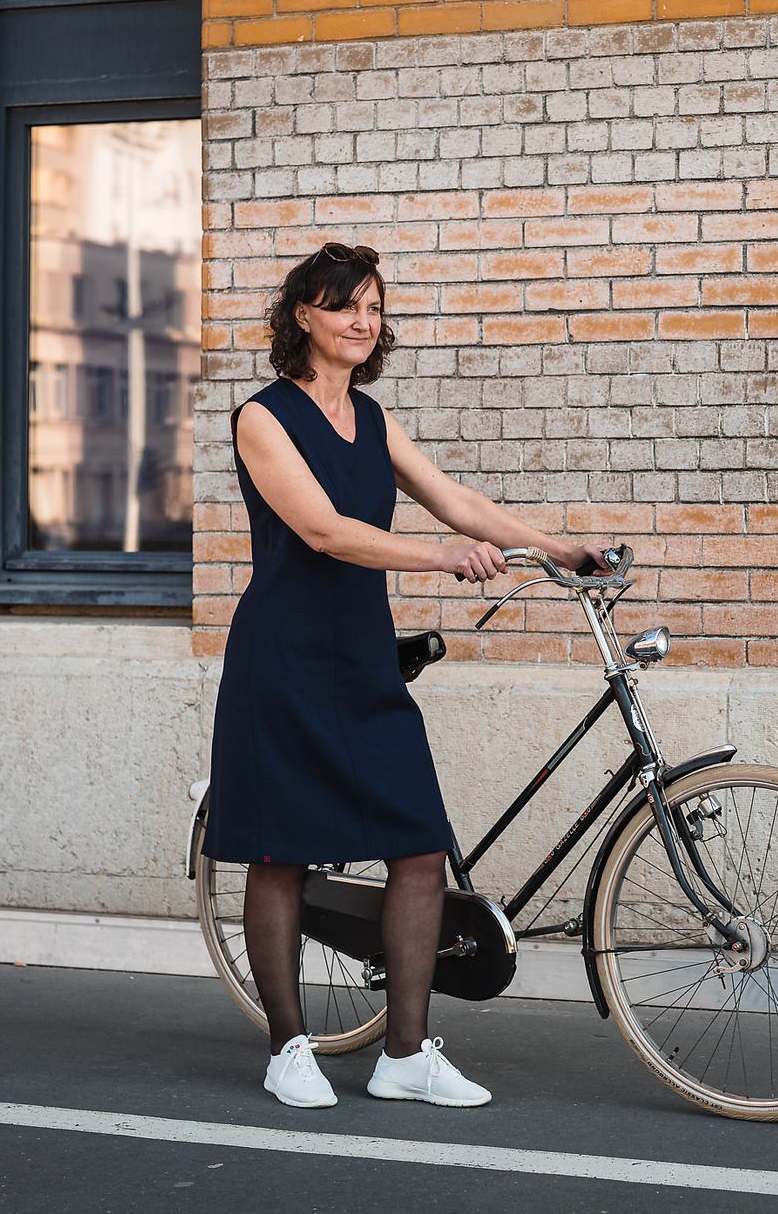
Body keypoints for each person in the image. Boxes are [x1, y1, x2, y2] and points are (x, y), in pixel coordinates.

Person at [203, 241, 611, 1111]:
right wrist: (442, 558)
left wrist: (556, 545)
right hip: (283, 660)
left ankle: (405, 1053)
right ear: (303, 316)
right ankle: (287, 1047)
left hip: (360, 659)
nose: (363, 321)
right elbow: (324, 531)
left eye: (376, 308)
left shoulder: (375, 420)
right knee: (281, 856)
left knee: (420, 850)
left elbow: (457, 500)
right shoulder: (262, 418)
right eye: (345, 304)